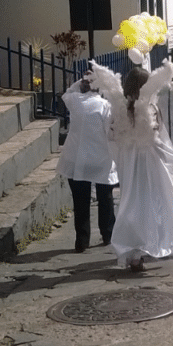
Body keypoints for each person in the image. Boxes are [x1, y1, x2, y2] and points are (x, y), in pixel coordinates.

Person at [87, 61, 173, 271]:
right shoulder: (150, 108)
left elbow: (111, 137)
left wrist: (121, 157)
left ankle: (134, 251)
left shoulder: (118, 110)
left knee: (131, 206)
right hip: (149, 165)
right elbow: (157, 138)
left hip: (128, 165)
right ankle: (146, 247)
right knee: (153, 205)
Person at [57, 77, 117, 253]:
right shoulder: (105, 106)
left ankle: (82, 240)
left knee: (80, 200)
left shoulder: (74, 101)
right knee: (105, 197)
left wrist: (80, 81)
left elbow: (67, 93)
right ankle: (108, 234)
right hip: (100, 157)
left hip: (76, 158)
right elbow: (110, 132)